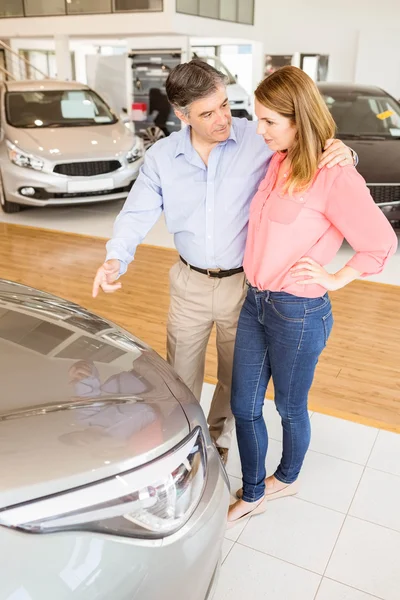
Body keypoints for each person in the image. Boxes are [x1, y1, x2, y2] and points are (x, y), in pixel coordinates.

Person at [92, 60, 355, 464]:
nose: (221, 120)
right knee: (180, 375)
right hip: (189, 283)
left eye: (224, 105)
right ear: (182, 115)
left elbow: (310, 148)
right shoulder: (162, 157)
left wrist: (343, 150)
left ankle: (216, 437)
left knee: (236, 376)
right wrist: (116, 257)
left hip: (245, 287)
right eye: (207, 113)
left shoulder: (257, 137)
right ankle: (183, 439)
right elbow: (136, 213)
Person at [227, 66, 398, 526]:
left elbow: (381, 243)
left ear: (299, 119)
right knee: (243, 405)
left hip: (298, 312)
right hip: (255, 301)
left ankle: (287, 476)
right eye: (257, 119)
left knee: (288, 407)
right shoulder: (277, 159)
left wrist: (335, 278)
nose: (258, 130)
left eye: (269, 122)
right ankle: (254, 490)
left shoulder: (334, 175)